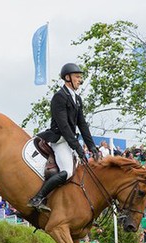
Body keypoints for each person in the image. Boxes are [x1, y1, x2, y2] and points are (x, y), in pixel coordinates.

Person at [29, 63, 99, 212]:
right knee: (67, 172)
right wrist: (78, 148)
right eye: (77, 77)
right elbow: (64, 127)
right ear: (67, 78)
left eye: (80, 77)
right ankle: (38, 198)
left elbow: (82, 124)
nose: (80, 80)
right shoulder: (59, 97)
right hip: (59, 139)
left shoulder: (77, 99)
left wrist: (92, 146)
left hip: (69, 140)